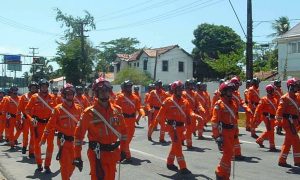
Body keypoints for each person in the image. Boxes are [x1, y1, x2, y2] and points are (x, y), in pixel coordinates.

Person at [74, 77, 127, 180]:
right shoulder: (88, 113)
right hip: (97, 155)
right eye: (101, 91)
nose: (104, 93)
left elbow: (124, 132)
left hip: (113, 153)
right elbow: (78, 135)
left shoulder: (117, 110)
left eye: (106, 91)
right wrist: (77, 156)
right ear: (96, 93)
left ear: (109, 92)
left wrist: (124, 150)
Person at [148, 80, 202, 174]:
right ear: (174, 90)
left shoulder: (185, 101)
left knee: (175, 146)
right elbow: (159, 116)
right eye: (178, 90)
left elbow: (189, 111)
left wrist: (195, 115)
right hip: (172, 127)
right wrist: (157, 126)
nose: (180, 91)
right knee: (178, 147)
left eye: (181, 89)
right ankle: (183, 167)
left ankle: (169, 162)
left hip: (181, 127)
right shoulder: (168, 101)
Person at [41, 83, 82, 180]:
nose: (69, 96)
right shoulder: (57, 109)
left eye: (71, 94)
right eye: (67, 94)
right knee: (64, 166)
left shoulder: (79, 109)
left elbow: (84, 125)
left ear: (73, 94)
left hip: (75, 143)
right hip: (63, 141)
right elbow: (50, 125)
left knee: (72, 165)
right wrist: (43, 138)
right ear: (63, 95)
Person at [25, 78, 56, 173]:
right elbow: (27, 110)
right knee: (37, 145)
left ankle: (47, 165)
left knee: (50, 145)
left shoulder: (52, 97)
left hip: (49, 125)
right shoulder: (34, 97)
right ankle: (39, 164)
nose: (44, 88)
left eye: (46, 86)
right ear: (40, 87)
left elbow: (56, 112)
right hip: (37, 125)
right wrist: (31, 119)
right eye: (42, 86)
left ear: (47, 87)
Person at [211, 81, 239, 180]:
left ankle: (225, 176)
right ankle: (219, 173)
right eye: (229, 91)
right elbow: (214, 122)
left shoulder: (233, 104)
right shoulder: (219, 104)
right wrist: (217, 136)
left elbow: (235, 120)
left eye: (232, 91)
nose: (231, 93)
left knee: (230, 154)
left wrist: (236, 133)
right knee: (227, 155)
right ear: (223, 92)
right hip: (224, 133)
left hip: (231, 132)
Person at [115, 80, 144, 162]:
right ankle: (127, 156)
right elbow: (115, 109)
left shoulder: (135, 97)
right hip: (123, 120)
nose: (129, 88)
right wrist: (116, 122)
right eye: (128, 86)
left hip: (132, 121)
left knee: (129, 139)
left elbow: (139, 107)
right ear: (124, 87)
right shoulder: (120, 97)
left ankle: (121, 153)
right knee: (125, 139)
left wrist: (142, 112)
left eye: (130, 86)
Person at [276, 77, 300, 167]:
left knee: (288, 142)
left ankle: (282, 160)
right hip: (288, 123)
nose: (296, 88)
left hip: (294, 122)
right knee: (296, 141)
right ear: (290, 87)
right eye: (295, 86)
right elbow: (279, 112)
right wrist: (278, 125)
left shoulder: (297, 97)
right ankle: (297, 161)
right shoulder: (285, 98)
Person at [253, 84, 279, 152]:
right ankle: (272, 146)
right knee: (271, 131)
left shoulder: (275, 99)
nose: (274, 91)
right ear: (270, 91)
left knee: (270, 130)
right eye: (273, 90)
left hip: (273, 117)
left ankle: (260, 140)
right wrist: (255, 117)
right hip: (267, 117)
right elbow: (258, 109)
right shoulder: (264, 99)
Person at [17, 81, 39, 156]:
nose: (33, 88)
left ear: (37, 88)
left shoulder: (39, 97)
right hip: (26, 118)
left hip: (34, 120)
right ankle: (24, 146)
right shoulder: (24, 96)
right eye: (32, 87)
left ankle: (31, 152)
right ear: (29, 88)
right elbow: (19, 108)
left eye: (35, 87)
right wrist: (18, 119)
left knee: (33, 135)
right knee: (25, 134)